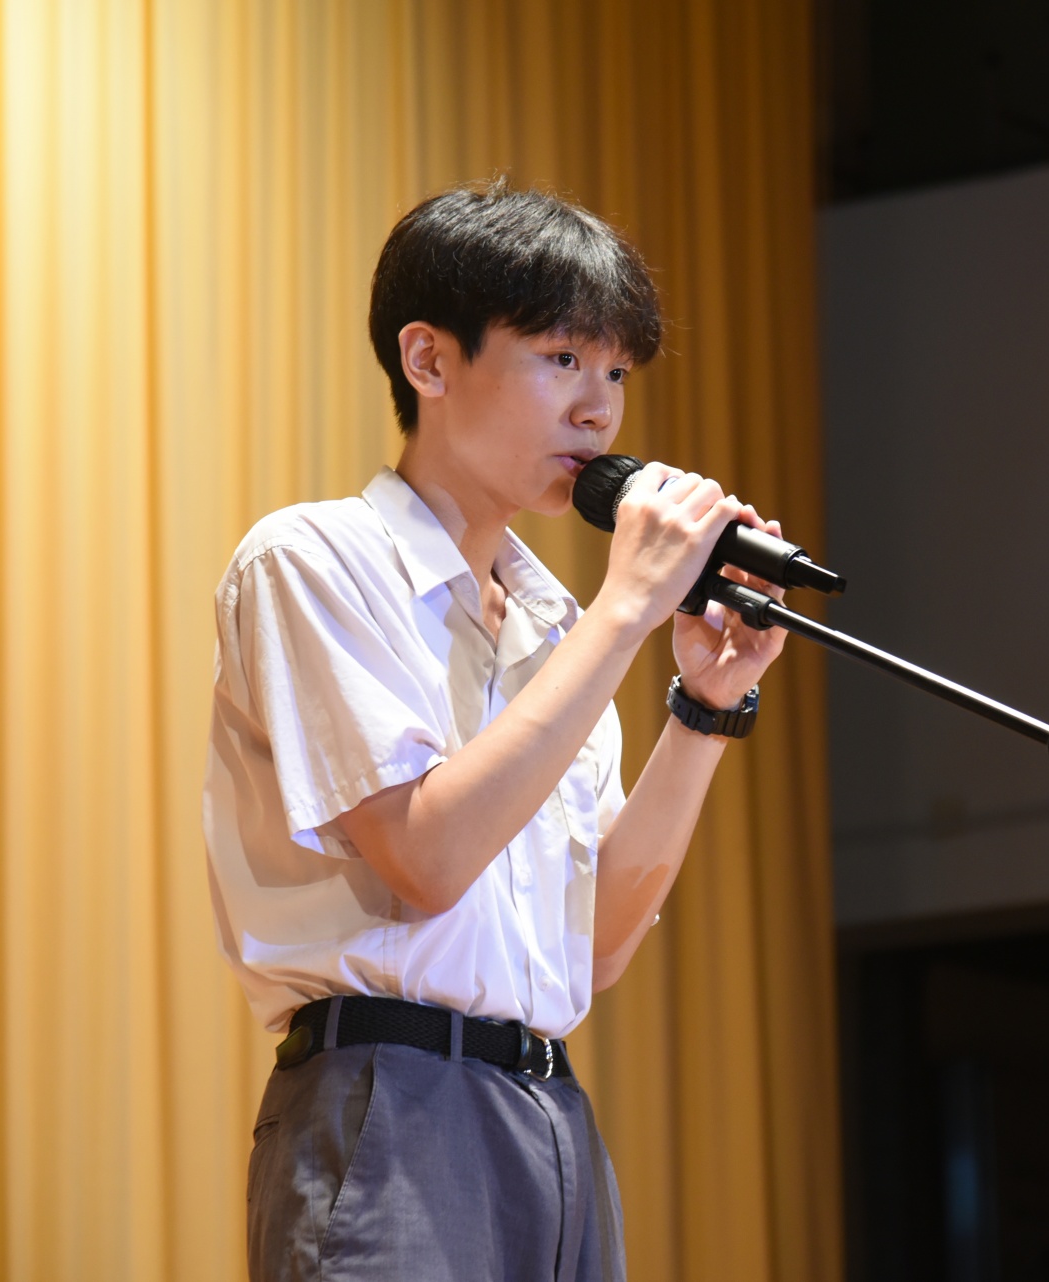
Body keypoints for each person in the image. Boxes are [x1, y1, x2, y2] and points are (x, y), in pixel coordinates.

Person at [202, 177, 792, 1281]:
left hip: (552, 1112)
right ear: (428, 361)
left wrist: (704, 710)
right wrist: (625, 613)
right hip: (390, 1101)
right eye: (562, 358)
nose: (599, 411)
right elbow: (425, 858)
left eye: (617, 373)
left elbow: (597, 945)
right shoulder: (315, 560)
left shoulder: (553, 625)